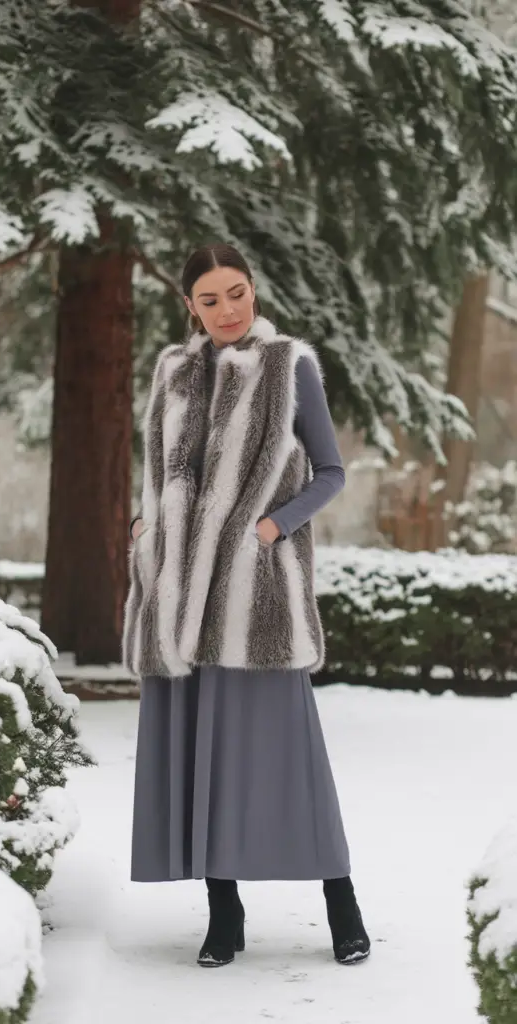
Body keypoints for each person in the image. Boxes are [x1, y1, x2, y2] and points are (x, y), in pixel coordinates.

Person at [122, 242, 370, 969]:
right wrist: (142, 527)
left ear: (253, 290)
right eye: (210, 299)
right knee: (202, 754)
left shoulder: (289, 366)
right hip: (179, 598)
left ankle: (342, 904)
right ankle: (223, 914)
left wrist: (268, 528)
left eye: (237, 293)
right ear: (190, 307)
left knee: (291, 759)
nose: (227, 310)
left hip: (256, 597)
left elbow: (329, 473)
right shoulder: (173, 372)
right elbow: (156, 474)